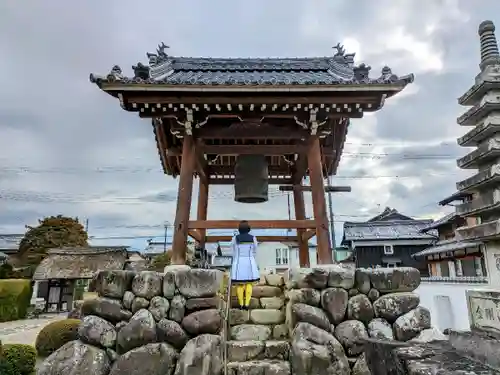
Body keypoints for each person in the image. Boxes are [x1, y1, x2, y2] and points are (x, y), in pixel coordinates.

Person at [230, 220, 260, 309]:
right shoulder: (253, 237)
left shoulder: (235, 238)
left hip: (238, 262)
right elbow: (255, 249)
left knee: (240, 284)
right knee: (249, 284)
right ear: (248, 229)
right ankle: (247, 304)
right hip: (249, 262)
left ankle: (241, 304)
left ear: (239, 229)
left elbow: (232, 248)